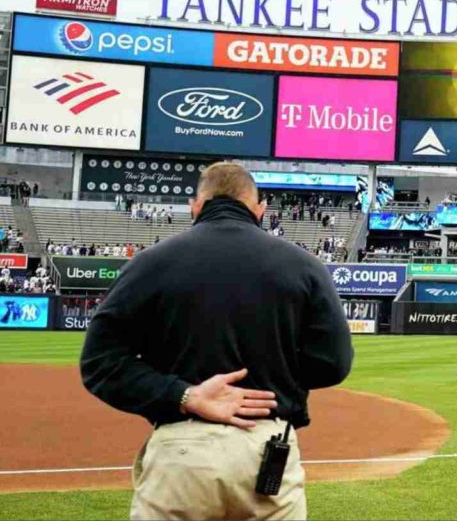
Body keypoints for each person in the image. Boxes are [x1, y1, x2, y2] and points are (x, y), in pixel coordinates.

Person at [80, 162, 354, 520]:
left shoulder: (150, 263)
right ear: (260, 210)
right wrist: (276, 373)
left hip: (180, 450)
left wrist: (184, 394)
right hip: (268, 445)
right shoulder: (304, 265)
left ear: (196, 206)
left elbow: (99, 361)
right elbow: (333, 364)